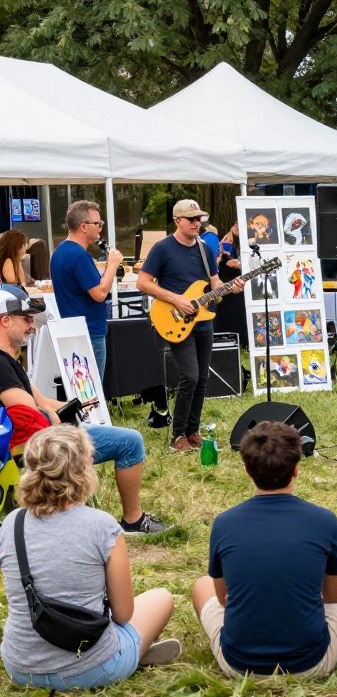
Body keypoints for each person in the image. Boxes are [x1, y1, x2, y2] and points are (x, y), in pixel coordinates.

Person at [0, 426, 179, 690]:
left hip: (21, 668)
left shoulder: (11, 523)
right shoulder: (102, 526)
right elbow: (123, 614)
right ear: (81, 470)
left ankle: (131, 655)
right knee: (162, 598)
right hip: (93, 665)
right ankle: (130, 656)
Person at [192, 421, 337, 677]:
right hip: (310, 664)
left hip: (238, 665)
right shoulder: (324, 520)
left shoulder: (224, 523)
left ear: (246, 469)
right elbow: (332, 597)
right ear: (296, 469)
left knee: (201, 585)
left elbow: (222, 599)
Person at [0, 287, 171, 534]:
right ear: (5, 320)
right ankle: (133, 520)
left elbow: (42, 403)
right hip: (44, 443)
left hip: (46, 437)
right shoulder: (2, 363)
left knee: (122, 438)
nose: (32, 325)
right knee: (130, 442)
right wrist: (69, 431)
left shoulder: (9, 360)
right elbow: (27, 410)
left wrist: (77, 405)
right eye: (26, 319)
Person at [137, 199, 243, 453]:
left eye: (199, 219)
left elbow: (214, 285)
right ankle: (177, 436)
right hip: (174, 318)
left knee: (203, 378)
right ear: (177, 221)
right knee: (190, 376)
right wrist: (176, 299)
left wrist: (233, 287)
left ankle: (192, 431)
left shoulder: (206, 249)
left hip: (204, 320)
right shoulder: (162, 249)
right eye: (192, 219)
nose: (197, 223)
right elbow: (142, 282)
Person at [50, 200, 123, 377]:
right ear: (83, 226)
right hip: (89, 332)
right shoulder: (79, 256)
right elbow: (99, 294)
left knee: (82, 389)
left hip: (74, 328)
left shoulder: (61, 251)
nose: (100, 227)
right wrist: (112, 265)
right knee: (92, 392)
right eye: (97, 223)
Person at [213, 221, 247, 347]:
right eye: (236, 225)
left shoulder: (237, 241)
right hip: (228, 283)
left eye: (240, 226)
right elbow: (227, 261)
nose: (237, 228)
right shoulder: (227, 242)